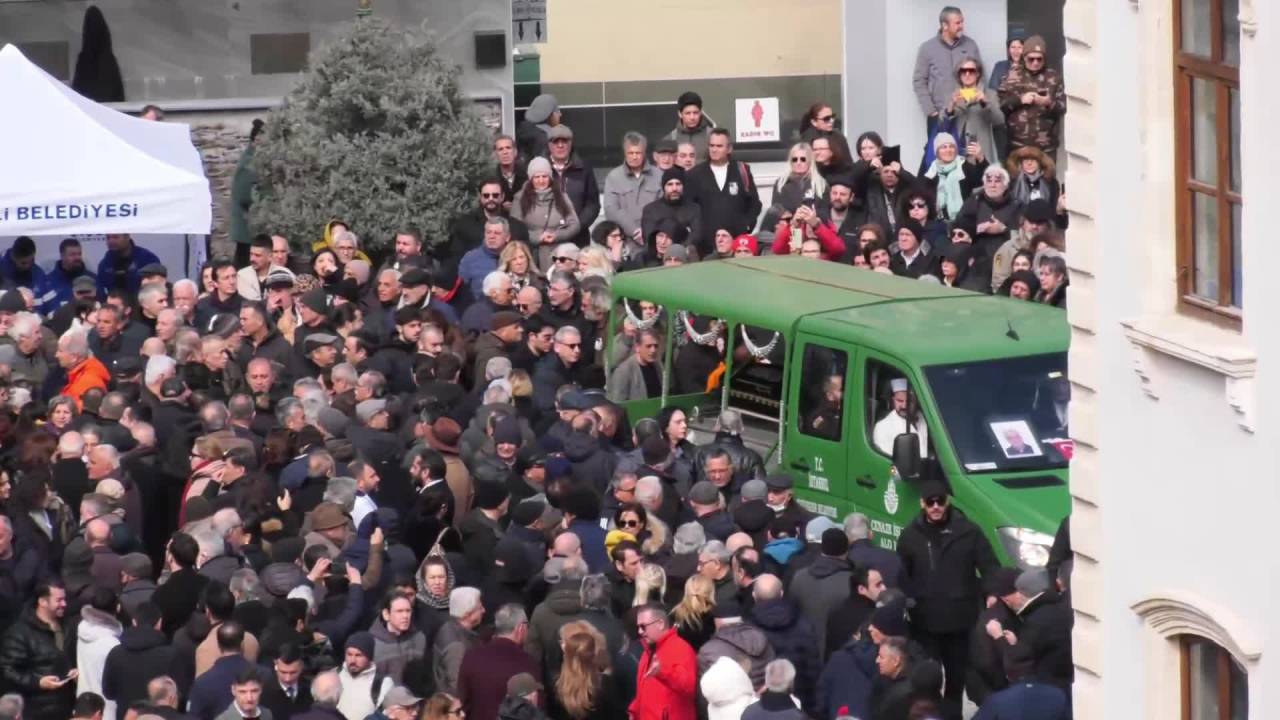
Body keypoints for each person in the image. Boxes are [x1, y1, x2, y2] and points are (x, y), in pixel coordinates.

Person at [895, 479, 999, 716]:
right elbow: (901, 574)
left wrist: (992, 593)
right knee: (927, 680)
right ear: (922, 503)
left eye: (939, 501)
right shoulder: (910, 536)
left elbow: (989, 565)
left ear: (947, 501)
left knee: (956, 679)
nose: (935, 507)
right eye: (930, 502)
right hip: (925, 622)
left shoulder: (969, 532)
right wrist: (908, 600)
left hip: (960, 623)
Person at [913, 6, 983, 167]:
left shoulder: (970, 45)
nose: (961, 26)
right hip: (940, 115)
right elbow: (919, 81)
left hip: (966, 113)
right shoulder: (927, 49)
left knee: (967, 158)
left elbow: (980, 75)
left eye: (962, 22)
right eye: (957, 23)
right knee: (936, 159)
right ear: (945, 25)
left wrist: (976, 100)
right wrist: (930, 110)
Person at [0, 581, 77, 719]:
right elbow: (8, 671)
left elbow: (70, 656)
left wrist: (76, 670)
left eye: (64, 599)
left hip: (66, 706)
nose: (64, 604)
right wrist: (38, 682)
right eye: (59, 600)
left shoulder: (69, 626)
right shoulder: (19, 633)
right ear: (42, 601)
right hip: (36, 710)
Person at [683, 129, 761, 257]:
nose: (714, 149)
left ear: (729, 148)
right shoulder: (694, 174)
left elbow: (755, 204)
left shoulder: (742, 170)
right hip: (705, 247)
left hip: (737, 247)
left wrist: (746, 225)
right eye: (711, 146)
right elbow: (689, 208)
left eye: (719, 146)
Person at [457, 604, 537, 720]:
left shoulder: (471, 656)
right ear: (521, 628)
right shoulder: (527, 662)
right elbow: (534, 708)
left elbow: (463, 699)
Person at [998, 35, 1067, 157]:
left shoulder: (1054, 77)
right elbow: (1000, 106)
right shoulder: (1011, 76)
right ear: (1024, 58)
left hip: (1046, 147)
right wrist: (1020, 100)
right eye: (1031, 59)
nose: (1035, 63)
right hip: (1017, 146)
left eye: (1039, 59)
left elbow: (1063, 107)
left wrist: (1048, 103)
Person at [512, 158, 581, 273]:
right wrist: (537, 237)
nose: (541, 181)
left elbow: (574, 224)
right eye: (537, 177)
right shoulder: (520, 198)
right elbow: (515, 228)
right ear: (531, 179)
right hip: (531, 254)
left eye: (544, 176)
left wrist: (557, 235)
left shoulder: (561, 196)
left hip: (559, 255)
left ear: (550, 178)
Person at [629, 604, 696, 720]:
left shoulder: (681, 649)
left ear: (660, 624)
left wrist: (662, 672)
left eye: (643, 626)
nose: (640, 631)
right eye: (638, 627)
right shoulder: (648, 652)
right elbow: (642, 691)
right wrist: (634, 711)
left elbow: (688, 687)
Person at [604, 132, 664, 247]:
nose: (634, 157)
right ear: (625, 153)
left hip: (655, 239)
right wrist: (634, 231)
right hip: (624, 241)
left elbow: (664, 207)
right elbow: (611, 209)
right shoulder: (614, 177)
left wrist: (649, 231)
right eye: (631, 153)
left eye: (638, 153)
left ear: (644, 153)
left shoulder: (659, 175)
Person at [872, 379, 929, 457]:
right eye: (900, 401)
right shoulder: (883, 427)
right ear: (893, 400)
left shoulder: (925, 417)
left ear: (916, 401)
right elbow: (887, 464)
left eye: (909, 401)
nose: (904, 406)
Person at [664, 92, 714, 162]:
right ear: (680, 114)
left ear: (700, 113)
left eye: (695, 113)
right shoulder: (670, 138)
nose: (692, 117)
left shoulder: (713, 136)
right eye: (688, 113)